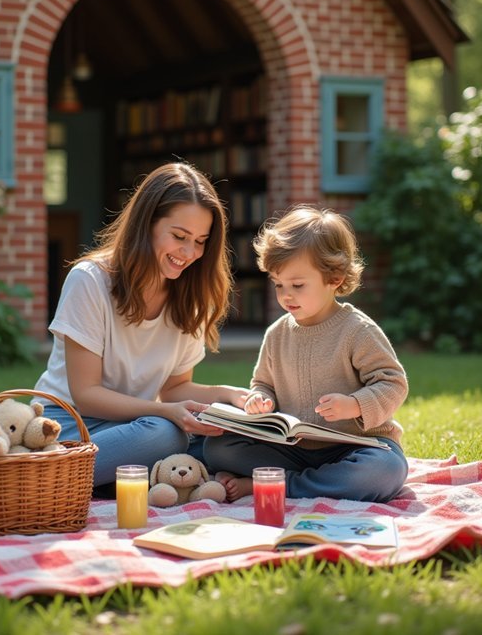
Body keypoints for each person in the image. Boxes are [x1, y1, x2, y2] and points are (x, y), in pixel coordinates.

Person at [33, 162, 248, 490]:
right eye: (179, 236)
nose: (189, 253)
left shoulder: (191, 296)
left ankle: (123, 477)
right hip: (70, 423)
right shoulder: (90, 281)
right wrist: (167, 413)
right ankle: (52, 480)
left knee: (222, 439)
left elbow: (174, 389)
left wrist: (227, 395)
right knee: (166, 434)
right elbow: (86, 394)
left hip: (135, 426)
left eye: (201, 241)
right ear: (146, 224)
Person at [204, 204, 409, 503]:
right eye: (278, 285)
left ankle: (278, 485)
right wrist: (261, 400)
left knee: (385, 470)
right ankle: (302, 481)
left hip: (355, 446)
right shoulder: (277, 334)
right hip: (293, 448)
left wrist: (354, 405)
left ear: (335, 278)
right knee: (218, 448)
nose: (286, 295)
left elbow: (393, 383)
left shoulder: (357, 330)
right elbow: (263, 383)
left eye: (298, 285)